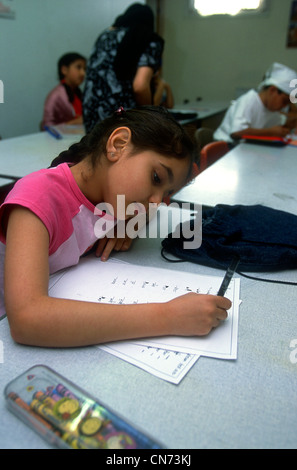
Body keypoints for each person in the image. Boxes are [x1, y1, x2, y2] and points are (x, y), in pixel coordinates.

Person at [0, 106, 231, 347]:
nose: (156, 201)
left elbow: (151, 208)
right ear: (118, 145)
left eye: (166, 194)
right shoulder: (38, 197)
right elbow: (27, 319)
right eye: (156, 178)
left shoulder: (111, 195)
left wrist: (133, 220)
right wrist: (169, 316)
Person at [83, 3, 164, 132]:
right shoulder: (149, 39)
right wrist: (150, 119)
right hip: (123, 120)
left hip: (92, 118)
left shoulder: (104, 36)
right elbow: (140, 87)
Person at [213, 62, 297, 144]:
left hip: (247, 148)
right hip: (225, 147)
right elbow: (236, 133)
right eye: (285, 101)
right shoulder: (249, 100)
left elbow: (273, 130)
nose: (285, 106)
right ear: (272, 90)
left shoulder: (273, 109)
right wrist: (270, 132)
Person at [41, 52, 86, 129]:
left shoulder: (78, 93)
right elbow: (46, 127)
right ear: (64, 70)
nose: (83, 73)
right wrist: (73, 123)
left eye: (85, 69)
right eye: (78, 67)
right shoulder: (55, 95)